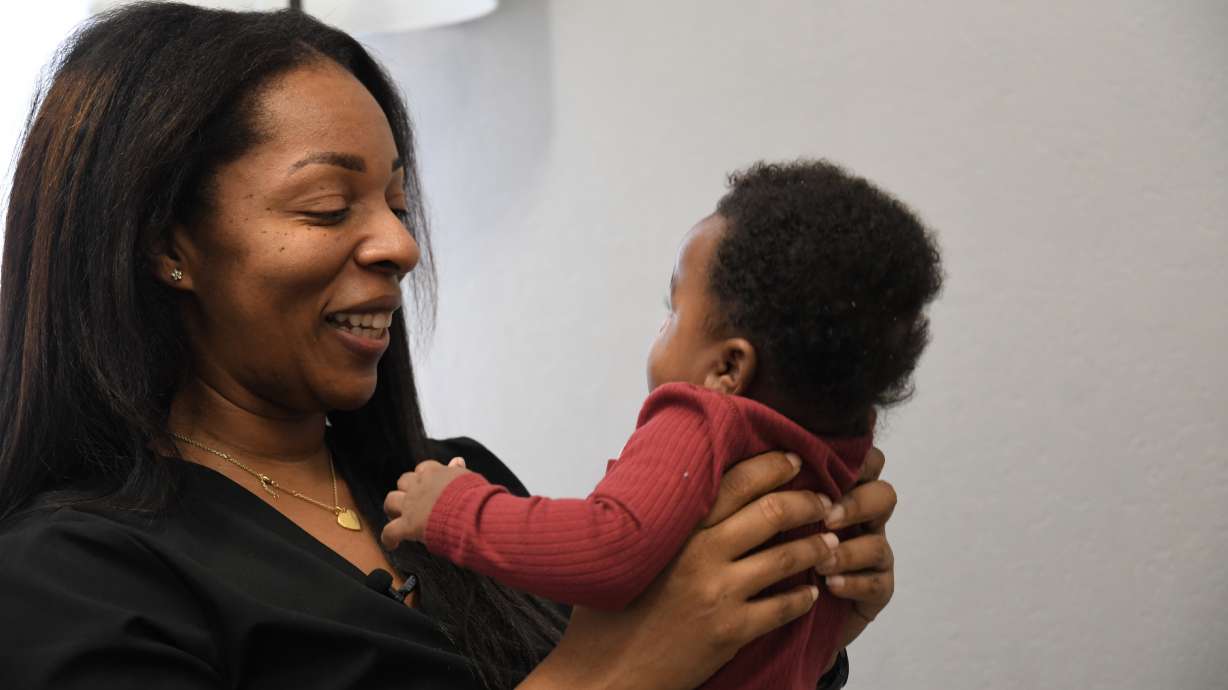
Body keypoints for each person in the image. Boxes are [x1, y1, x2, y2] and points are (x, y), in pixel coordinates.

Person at [0, 4, 899, 689]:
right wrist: (609, 675)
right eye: (327, 206)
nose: (400, 245)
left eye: (397, 201)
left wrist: (782, 624)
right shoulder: (71, 577)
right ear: (166, 243)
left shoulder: (460, 487)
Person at [381, 160, 941, 689]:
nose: (661, 329)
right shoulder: (838, 455)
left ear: (728, 367)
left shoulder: (702, 417)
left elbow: (607, 550)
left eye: (672, 310)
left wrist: (453, 508)